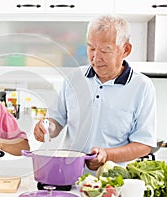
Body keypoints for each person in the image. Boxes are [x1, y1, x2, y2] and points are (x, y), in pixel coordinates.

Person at [34, 15, 157, 171]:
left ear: (125, 49)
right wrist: (47, 128)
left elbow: (143, 144)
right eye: (91, 48)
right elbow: (57, 119)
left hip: (112, 183)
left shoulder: (142, 87)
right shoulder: (74, 78)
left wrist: (107, 154)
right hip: (68, 176)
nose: (96, 57)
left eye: (105, 50)